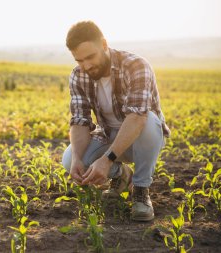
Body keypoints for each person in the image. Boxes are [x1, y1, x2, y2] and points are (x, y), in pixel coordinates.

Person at [61, 21, 170, 221]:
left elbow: (137, 118)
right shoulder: (78, 76)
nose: (86, 66)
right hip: (109, 135)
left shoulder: (135, 65)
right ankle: (121, 175)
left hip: (145, 135)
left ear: (104, 44)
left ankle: (140, 190)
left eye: (90, 57)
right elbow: (79, 120)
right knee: (69, 160)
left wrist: (106, 160)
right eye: (79, 60)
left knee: (145, 120)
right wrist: (77, 157)